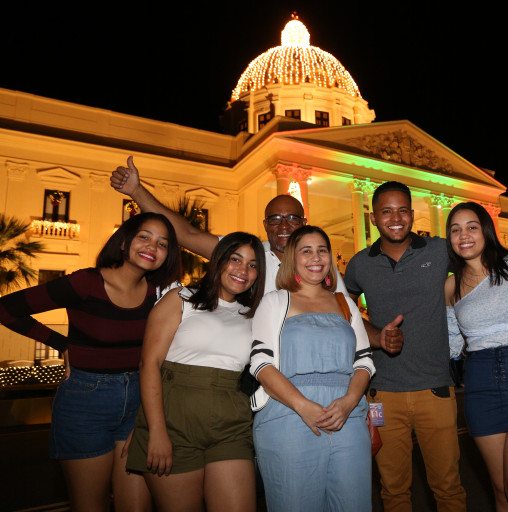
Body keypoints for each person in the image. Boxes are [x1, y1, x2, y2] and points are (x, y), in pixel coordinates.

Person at [0, 212, 181, 512]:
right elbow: (6, 308)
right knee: (90, 506)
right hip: (85, 405)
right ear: (123, 243)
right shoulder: (85, 282)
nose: (153, 246)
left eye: (163, 243)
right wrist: (60, 344)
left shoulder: (157, 295)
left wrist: (151, 416)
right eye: (144, 237)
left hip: (138, 403)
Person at [344, 181, 467, 512]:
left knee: (449, 488)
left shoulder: (439, 250)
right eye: (386, 211)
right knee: (393, 491)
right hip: (382, 393)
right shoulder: (359, 264)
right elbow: (342, 308)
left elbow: (483, 261)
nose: (395, 218)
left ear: (412, 214)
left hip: (435, 389)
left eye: (402, 210)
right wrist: (375, 335)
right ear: (373, 218)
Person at [125, 232, 265, 511]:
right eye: (235, 259)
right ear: (219, 260)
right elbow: (149, 364)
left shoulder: (254, 314)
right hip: (173, 424)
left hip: (231, 425)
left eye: (252, 265)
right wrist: (155, 430)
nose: (243, 270)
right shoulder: (181, 298)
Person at [249, 226, 375, 511]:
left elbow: (364, 361)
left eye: (322, 250)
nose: (316, 257)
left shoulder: (344, 303)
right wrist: (303, 406)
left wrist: (348, 403)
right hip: (288, 417)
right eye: (306, 251)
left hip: (347, 418)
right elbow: (261, 363)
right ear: (292, 258)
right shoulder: (275, 301)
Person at [110, 155, 347, 295]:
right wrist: (136, 191)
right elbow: (187, 233)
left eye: (292, 218)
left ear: (304, 223)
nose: (284, 226)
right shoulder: (249, 255)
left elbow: (345, 310)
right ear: (265, 224)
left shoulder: (319, 265)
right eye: (275, 219)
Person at [444, 202, 508, 512]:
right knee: (501, 491)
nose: (463, 235)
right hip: (480, 384)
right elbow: (451, 342)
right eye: (455, 230)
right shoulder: (450, 285)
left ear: (486, 230)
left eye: (471, 227)